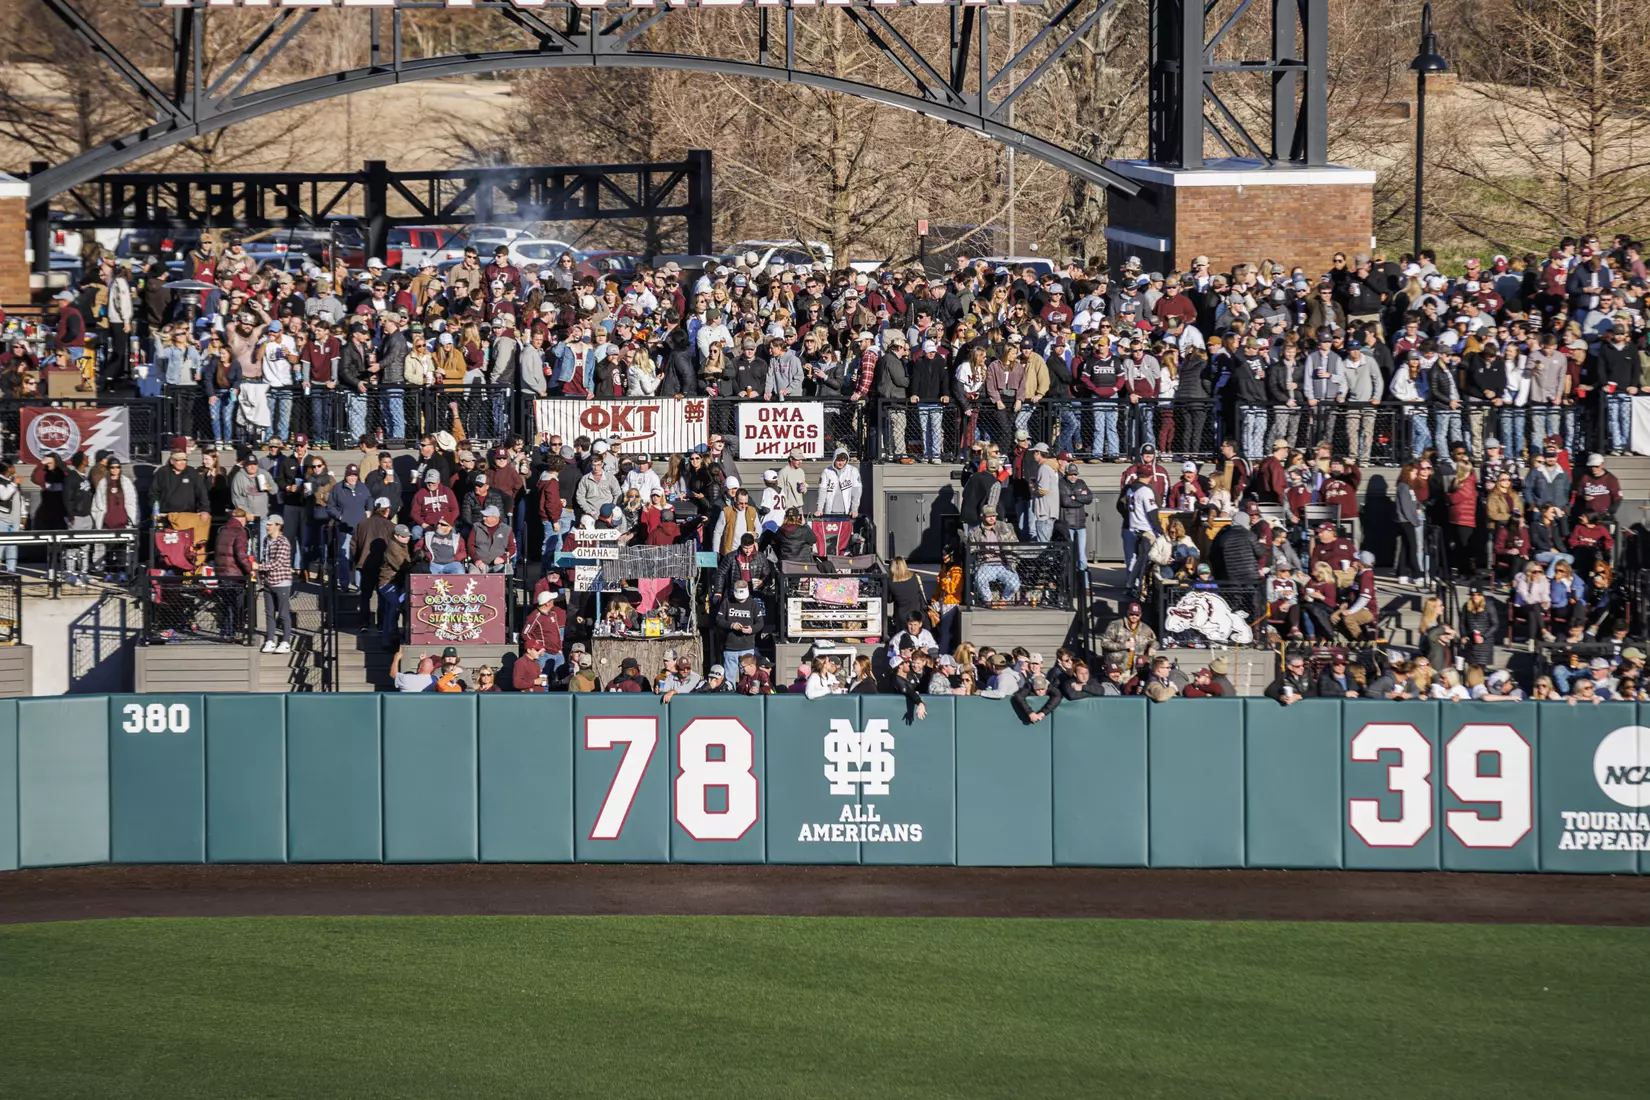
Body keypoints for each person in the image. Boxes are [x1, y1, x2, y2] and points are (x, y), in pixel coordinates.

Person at [968, 505, 1021, 604]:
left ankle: (1004, 600)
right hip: (985, 564)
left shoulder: (1005, 527)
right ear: (982, 516)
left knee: (1015, 585)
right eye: (989, 516)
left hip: (1004, 564)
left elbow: (1015, 544)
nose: (992, 518)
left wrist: (1010, 556)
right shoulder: (975, 531)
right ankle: (988, 601)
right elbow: (971, 549)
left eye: (994, 515)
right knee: (980, 580)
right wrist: (982, 554)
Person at [259, 514, 295, 655]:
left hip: (281, 582)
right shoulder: (266, 540)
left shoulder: (283, 542)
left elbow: (278, 563)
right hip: (268, 581)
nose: (267, 527)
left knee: (283, 613)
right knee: (269, 612)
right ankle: (270, 639)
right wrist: (262, 576)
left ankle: (286, 641)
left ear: (278, 526)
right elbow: (264, 558)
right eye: (267, 524)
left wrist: (258, 567)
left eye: (270, 524)